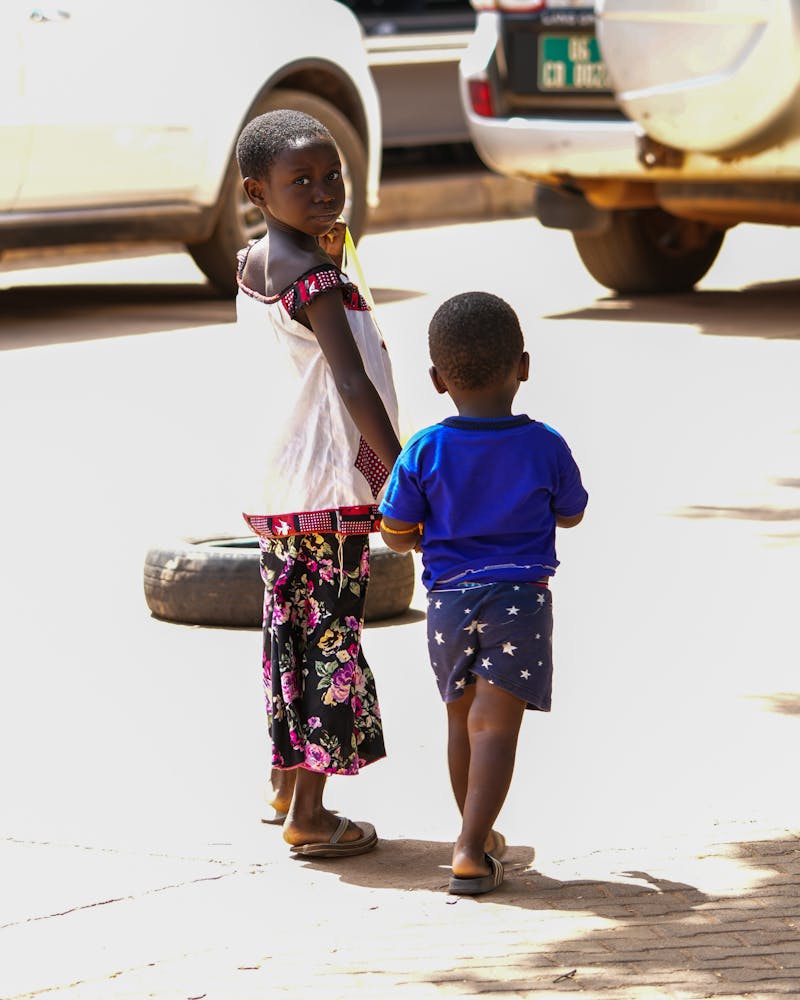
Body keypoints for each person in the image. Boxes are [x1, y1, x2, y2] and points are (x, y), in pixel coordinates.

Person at [379, 291, 588, 894]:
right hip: (519, 601)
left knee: (460, 720)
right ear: (522, 366)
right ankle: (472, 847)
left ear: (438, 379)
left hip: (447, 602)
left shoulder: (424, 449)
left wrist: (416, 534)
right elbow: (571, 514)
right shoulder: (545, 443)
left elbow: (394, 532)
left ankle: (476, 834)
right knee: (495, 729)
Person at [234, 109, 402, 858]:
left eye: (332, 175)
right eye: (300, 181)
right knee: (331, 641)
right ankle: (310, 812)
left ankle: (281, 782)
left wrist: (323, 246)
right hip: (330, 490)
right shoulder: (314, 279)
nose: (325, 191)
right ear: (256, 191)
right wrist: (403, 475)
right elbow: (353, 382)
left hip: (282, 489)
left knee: (291, 634)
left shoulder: (257, 261)